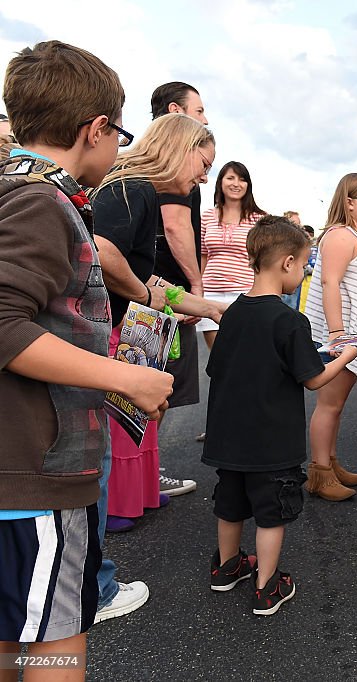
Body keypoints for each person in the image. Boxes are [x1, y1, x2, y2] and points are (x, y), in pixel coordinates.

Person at [0, 40, 173, 679]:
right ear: (95, 129)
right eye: (117, 134)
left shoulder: (15, 190)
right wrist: (125, 375)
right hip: (35, 475)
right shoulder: (41, 202)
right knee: (53, 641)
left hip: (14, 467)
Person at [203, 215, 357, 616]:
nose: (305, 273)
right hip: (270, 441)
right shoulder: (290, 320)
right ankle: (267, 586)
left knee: (230, 504)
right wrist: (345, 357)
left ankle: (227, 567)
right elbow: (312, 378)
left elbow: (218, 368)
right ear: (287, 262)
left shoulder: (232, 313)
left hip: (228, 436)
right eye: (305, 264)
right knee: (271, 513)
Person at [91, 114, 223, 542]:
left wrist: (208, 306)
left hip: (126, 325)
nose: (204, 177)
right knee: (121, 418)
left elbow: (145, 277)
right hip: (109, 327)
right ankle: (113, 505)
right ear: (178, 150)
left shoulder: (142, 192)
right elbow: (106, 254)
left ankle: (141, 493)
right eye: (202, 165)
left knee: (140, 418)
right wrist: (145, 297)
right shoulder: (131, 188)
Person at [303, 173, 357, 501]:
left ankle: (330, 464)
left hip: (352, 335)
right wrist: (338, 336)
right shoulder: (340, 236)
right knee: (329, 405)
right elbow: (329, 283)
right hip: (341, 336)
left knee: (337, 406)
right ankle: (319, 473)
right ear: (349, 202)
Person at [150, 80, 210, 475]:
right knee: (154, 387)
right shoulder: (173, 165)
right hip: (163, 296)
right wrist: (196, 285)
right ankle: (142, 475)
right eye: (200, 111)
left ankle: (141, 475)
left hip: (152, 290)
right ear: (176, 112)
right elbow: (175, 226)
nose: (206, 118)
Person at [196, 161, 266, 350]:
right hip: (211, 294)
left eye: (242, 179)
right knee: (218, 356)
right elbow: (202, 256)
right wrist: (197, 289)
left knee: (246, 353)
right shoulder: (207, 216)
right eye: (231, 178)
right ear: (220, 182)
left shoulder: (259, 219)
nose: (236, 184)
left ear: (248, 185)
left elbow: (265, 261)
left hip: (245, 293)